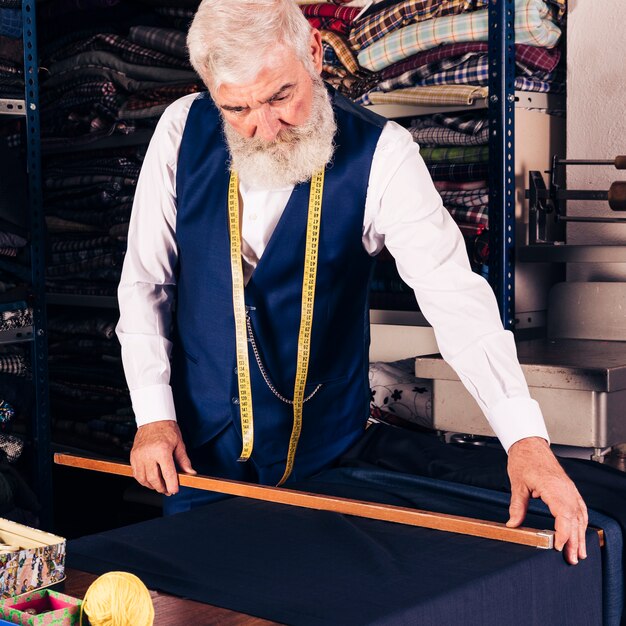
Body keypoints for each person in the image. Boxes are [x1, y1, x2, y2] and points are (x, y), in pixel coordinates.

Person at [116, 0, 588, 564]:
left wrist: (524, 438)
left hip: (326, 466)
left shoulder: (383, 154)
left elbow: (454, 295)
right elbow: (146, 283)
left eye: (279, 96)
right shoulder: (178, 129)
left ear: (314, 52)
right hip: (198, 464)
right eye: (236, 107)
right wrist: (154, 417)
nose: (263, 128)